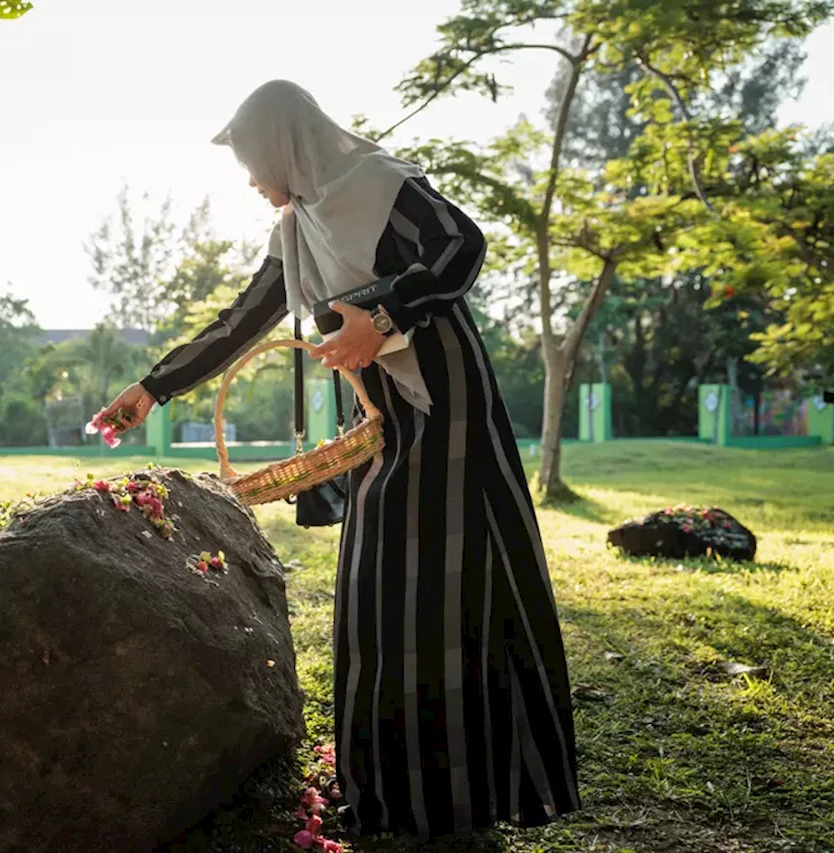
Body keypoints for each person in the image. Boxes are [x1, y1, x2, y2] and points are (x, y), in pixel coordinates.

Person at [99, 80, 578, 841]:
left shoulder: (380, 184)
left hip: (444, 401)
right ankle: (389, 791)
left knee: (444, 589)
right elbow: (240, 321)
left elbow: (464, 246)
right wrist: (151, 388)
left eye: (254, 166)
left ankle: (458, 799)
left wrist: (383, 311)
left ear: (283, 144)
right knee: (372, 590)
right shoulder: (295, 228)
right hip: (377, 412)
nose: (255, 185)